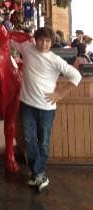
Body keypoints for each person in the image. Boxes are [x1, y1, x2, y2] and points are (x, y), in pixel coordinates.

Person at [11, 27, 82, 192]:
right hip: (27, 104)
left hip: (47, 108)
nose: (44, 44)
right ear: (36, 39)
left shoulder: (55, 60)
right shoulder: (27, 48)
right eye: (41, 40)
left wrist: (60, 93)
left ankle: (38, 173)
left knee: (43, 142)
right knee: (29, 140)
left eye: (48, 41)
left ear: (52, 42)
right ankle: (39, 174)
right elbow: (8, 40)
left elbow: (76, 76)